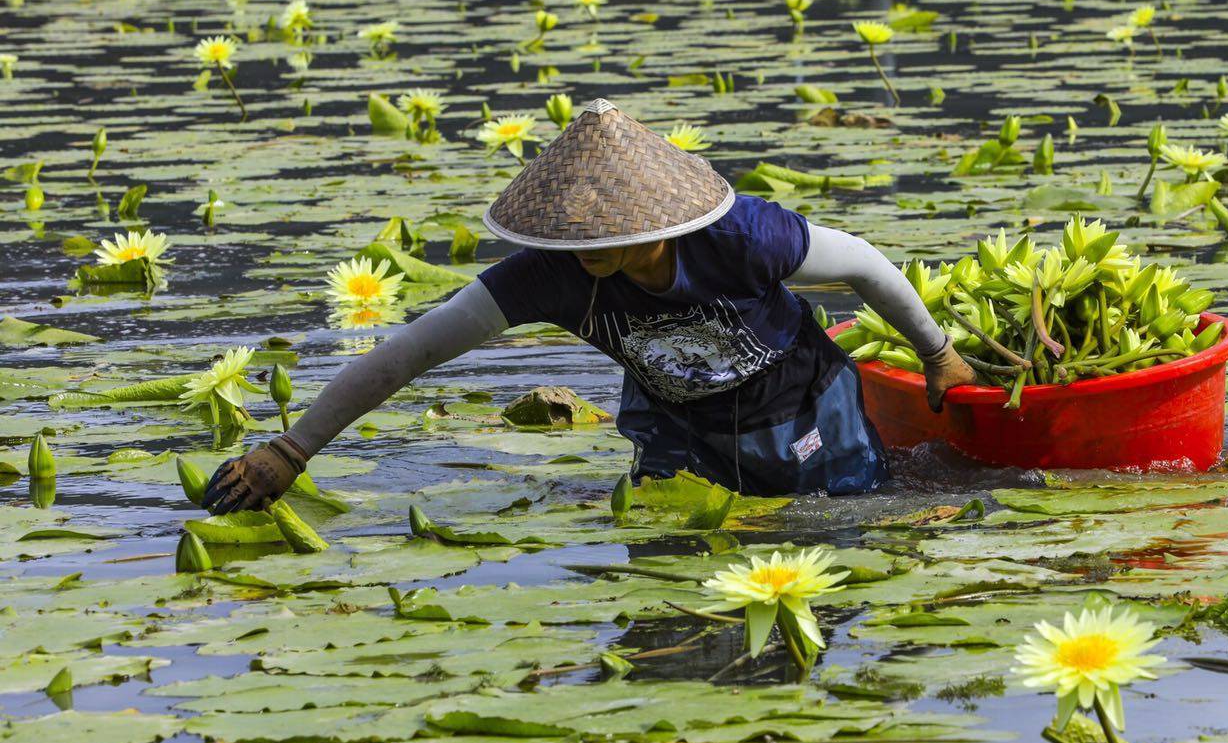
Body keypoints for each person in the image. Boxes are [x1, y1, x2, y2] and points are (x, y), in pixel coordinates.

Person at [202, 99, 974, 512]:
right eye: (575, 238)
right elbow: (413, 351)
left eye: (609, 237)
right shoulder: (548, 275)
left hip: (801, 401)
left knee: (846, 521)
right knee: (666, 552)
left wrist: (937, 352)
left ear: (659, 226)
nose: (587, 251)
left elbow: (866, 265)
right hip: (677, 418)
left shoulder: (743, 237)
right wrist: (292, 450)